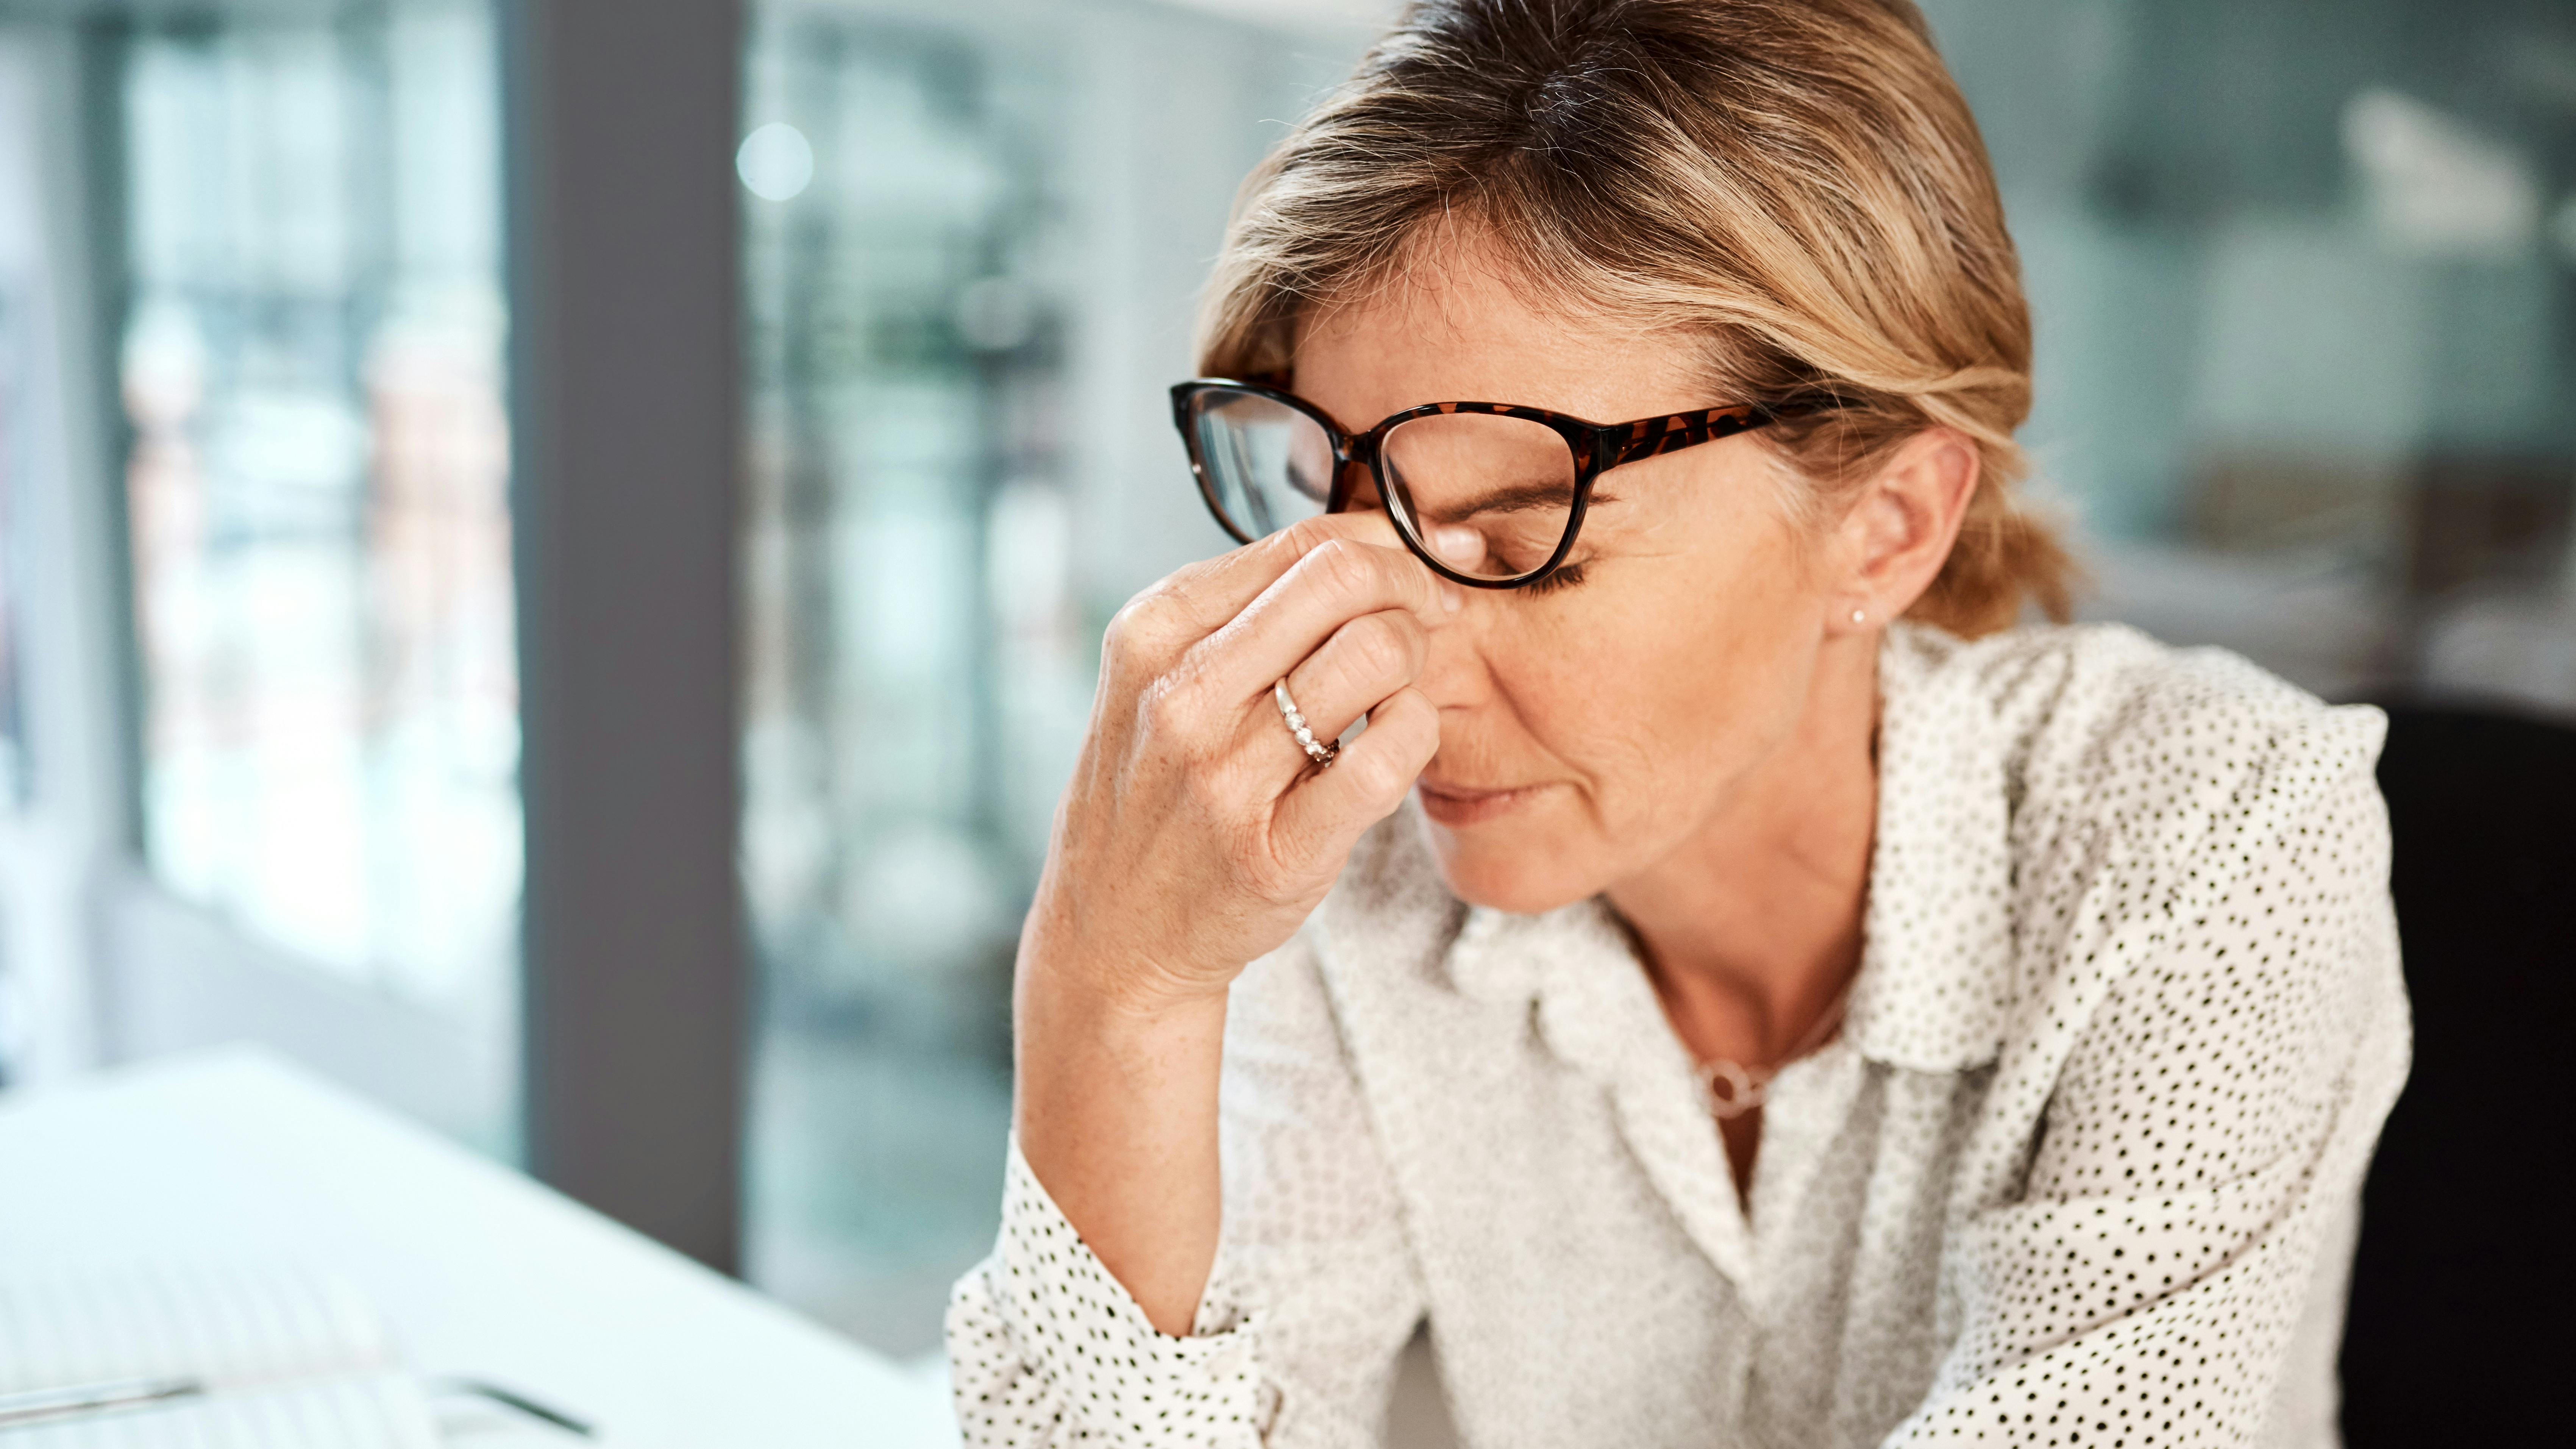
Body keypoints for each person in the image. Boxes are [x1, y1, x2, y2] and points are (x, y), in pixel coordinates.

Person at [946, 2, 2409, 1444]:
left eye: (1523, 539)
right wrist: (1109, 983)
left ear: (1886, 525)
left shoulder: (2212, 831)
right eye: (1351, 531)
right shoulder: (1351, 876)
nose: (1395, 670)